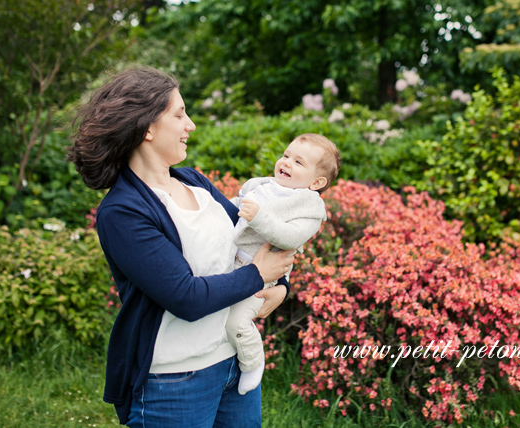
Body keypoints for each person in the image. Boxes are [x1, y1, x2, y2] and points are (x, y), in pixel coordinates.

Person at [67, 66, 294, 427]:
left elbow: (252, 240)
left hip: (234, 364)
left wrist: (279, 286)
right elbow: (185, 297)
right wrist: (258, 276)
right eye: (179, 113)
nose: (190, 125)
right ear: (147, 128)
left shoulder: (193, 181)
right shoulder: (123, 211)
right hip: (174, 382)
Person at [227, 134, 341, 395]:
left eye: (298, 162)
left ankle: (253, 363)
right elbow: (234, 207)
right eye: (287, 155)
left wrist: (260, 218)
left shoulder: (310, 206)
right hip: (230, 260)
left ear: (317, 182)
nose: (286, 163)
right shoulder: (263, 186)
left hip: (265, 276)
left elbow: (291, 238)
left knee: (237, 322)